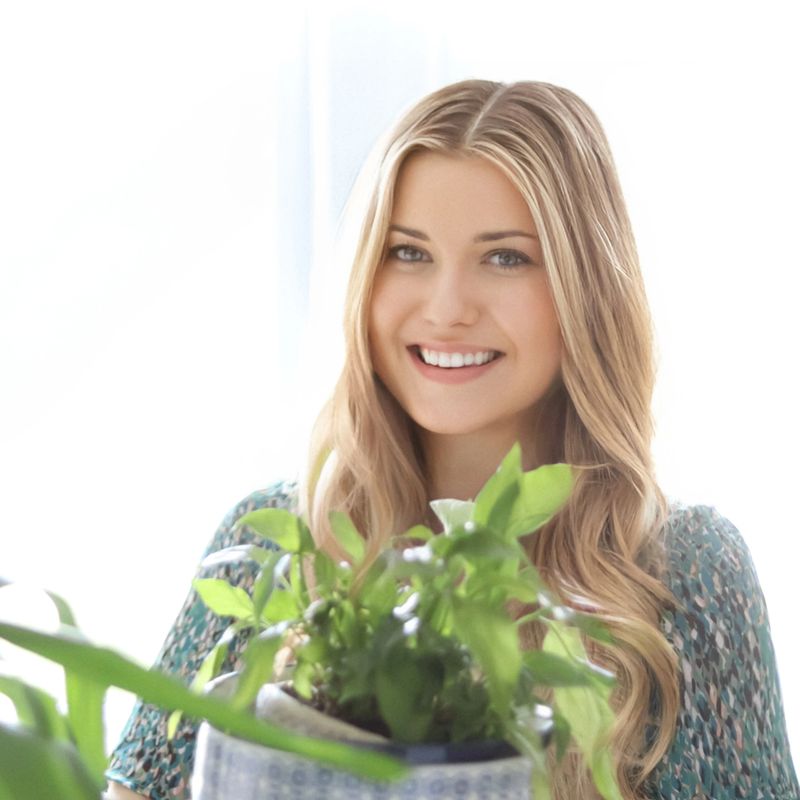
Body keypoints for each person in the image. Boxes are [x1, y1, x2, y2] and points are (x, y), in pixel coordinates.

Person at [105, 79, 799, 799]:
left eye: (505, 258)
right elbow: (136, 787)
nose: (446, 309)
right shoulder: (273, 550)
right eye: (409, 253)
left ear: (584, 289)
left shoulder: (683, 571)